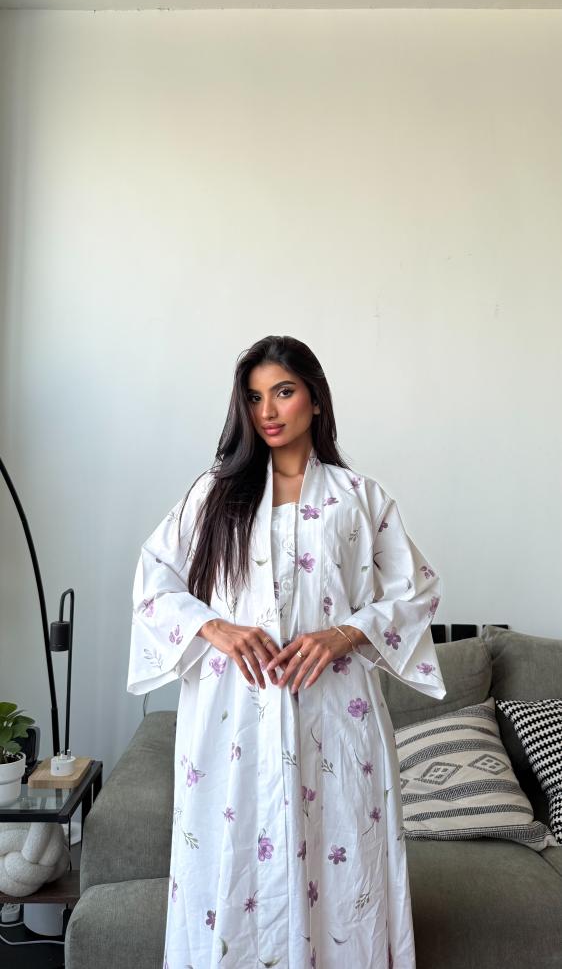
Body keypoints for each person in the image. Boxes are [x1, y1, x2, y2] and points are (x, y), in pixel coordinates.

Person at [127, 334, 446, 969]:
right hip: (232, 715)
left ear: (315, 400)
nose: (268, 411)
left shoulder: (359, 497)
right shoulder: (214, 494)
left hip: (335, 712)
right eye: (254, 398)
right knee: (232, 855)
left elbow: (417, 591)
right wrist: (214, 627)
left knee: (344, 859)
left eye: (283, 392)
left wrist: (344, 633)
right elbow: (154, 582)